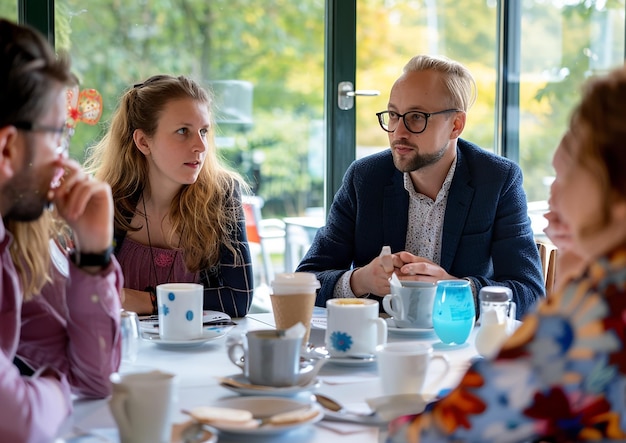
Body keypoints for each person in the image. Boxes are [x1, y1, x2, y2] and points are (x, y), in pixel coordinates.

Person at [387, 63, 626, 442]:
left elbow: (434, 434)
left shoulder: (597, 309)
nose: (554, 198)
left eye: (569, 172)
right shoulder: (599, 291)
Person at [297, 54, 544, 317]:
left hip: (460, 346)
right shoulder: (365, 178)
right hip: (378, 345)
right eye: (393, 115)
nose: (398, 132)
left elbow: (529, 295)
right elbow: (304, 281)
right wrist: (361, 281)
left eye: (416, 117)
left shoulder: (497, 180)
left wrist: (452, 290)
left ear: (456, 125)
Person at [0, 18, 122, 442]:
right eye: (57, 135)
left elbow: (96, 377)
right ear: (7, 148)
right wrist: (51, 388)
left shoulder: (8, 247)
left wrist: (94, 255)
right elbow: (19, 421)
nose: (64, 157)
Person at [84, 74, 253, 317]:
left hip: (200, 352)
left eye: (203, 131)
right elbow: (89, 294)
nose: (201, 146)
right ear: (143, 142)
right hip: (125, 351)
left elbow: (238, 299)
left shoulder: (221, 194)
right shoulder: (108, 200)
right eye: (183, 131)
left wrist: (146, 301)